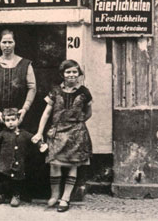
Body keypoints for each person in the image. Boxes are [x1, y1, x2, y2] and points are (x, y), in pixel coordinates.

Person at [32, 59, 93, 212]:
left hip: (76, 134)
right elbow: (46, 113)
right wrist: (40, 132)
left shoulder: (84, 92)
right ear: (62, 74)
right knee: (54, 163)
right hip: (57, 132)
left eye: (74, 72)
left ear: (79, 74)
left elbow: (89, 113)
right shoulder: (55, 91)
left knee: (73, 165)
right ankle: (55, 195)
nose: (71, 75)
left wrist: (77, 124)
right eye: (68, 72)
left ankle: (65, 198)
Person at [0, 29, 36, 201]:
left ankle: (18, 193)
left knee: (18, 154)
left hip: (19, 117)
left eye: (10, 42)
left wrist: (25, 109)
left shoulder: (26, 64)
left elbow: (32, 88)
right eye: (4, 42)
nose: (7, 45)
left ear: (15, 43)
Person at [0, 108, 34, 207]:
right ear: (4, 121)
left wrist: (40, 143)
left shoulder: (24, 134)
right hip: (4, 163)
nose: (10, 123)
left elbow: (33, 139)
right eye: (7, 120)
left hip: (18, 163)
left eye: (13, 120)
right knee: (3, 180)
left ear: (18, 119)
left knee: (17, 181)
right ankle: (1, 195)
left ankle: (16, 196)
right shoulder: (2, 134)